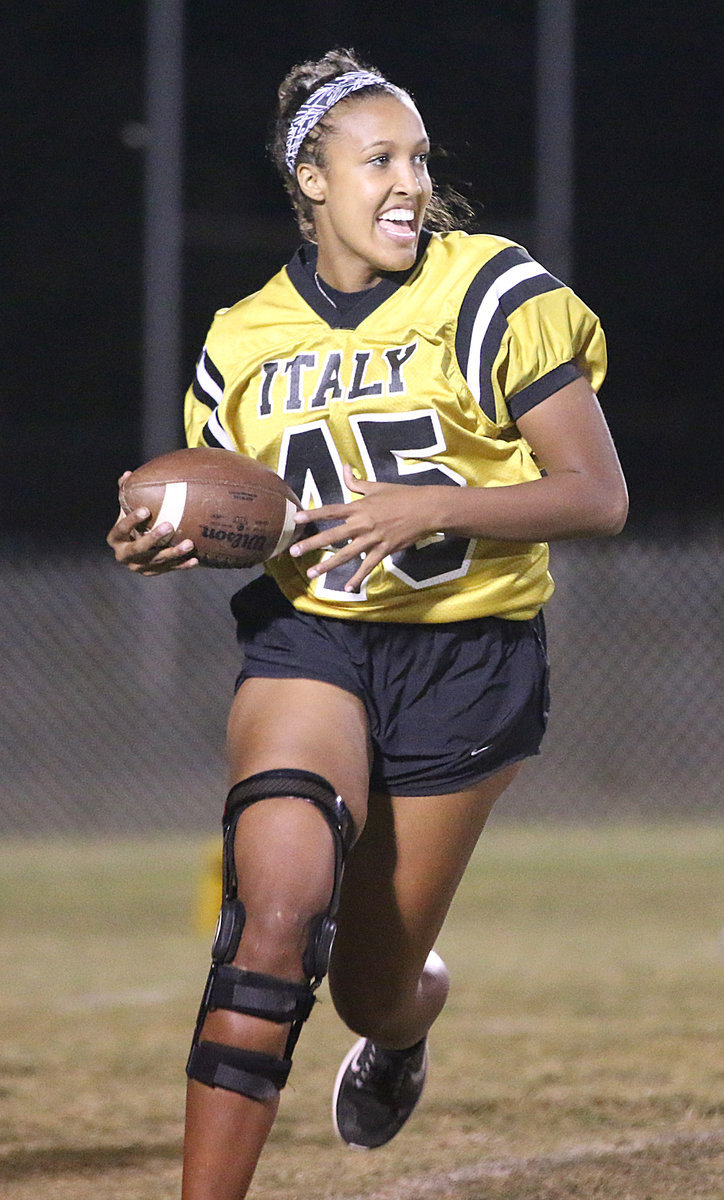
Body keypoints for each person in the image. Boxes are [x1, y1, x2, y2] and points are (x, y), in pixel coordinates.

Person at [107, 47, 628, 1200]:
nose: (409, 181)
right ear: (311, 179)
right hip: (315, 642)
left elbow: (598, 495)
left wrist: (433, 505)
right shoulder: (240, 338)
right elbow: (247, 517)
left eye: (418, 158)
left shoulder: (492, 289)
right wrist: (165, 539)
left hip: (468, 656)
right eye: (378, 157)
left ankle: (401, 1028)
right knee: (273, 921)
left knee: (370, 987)